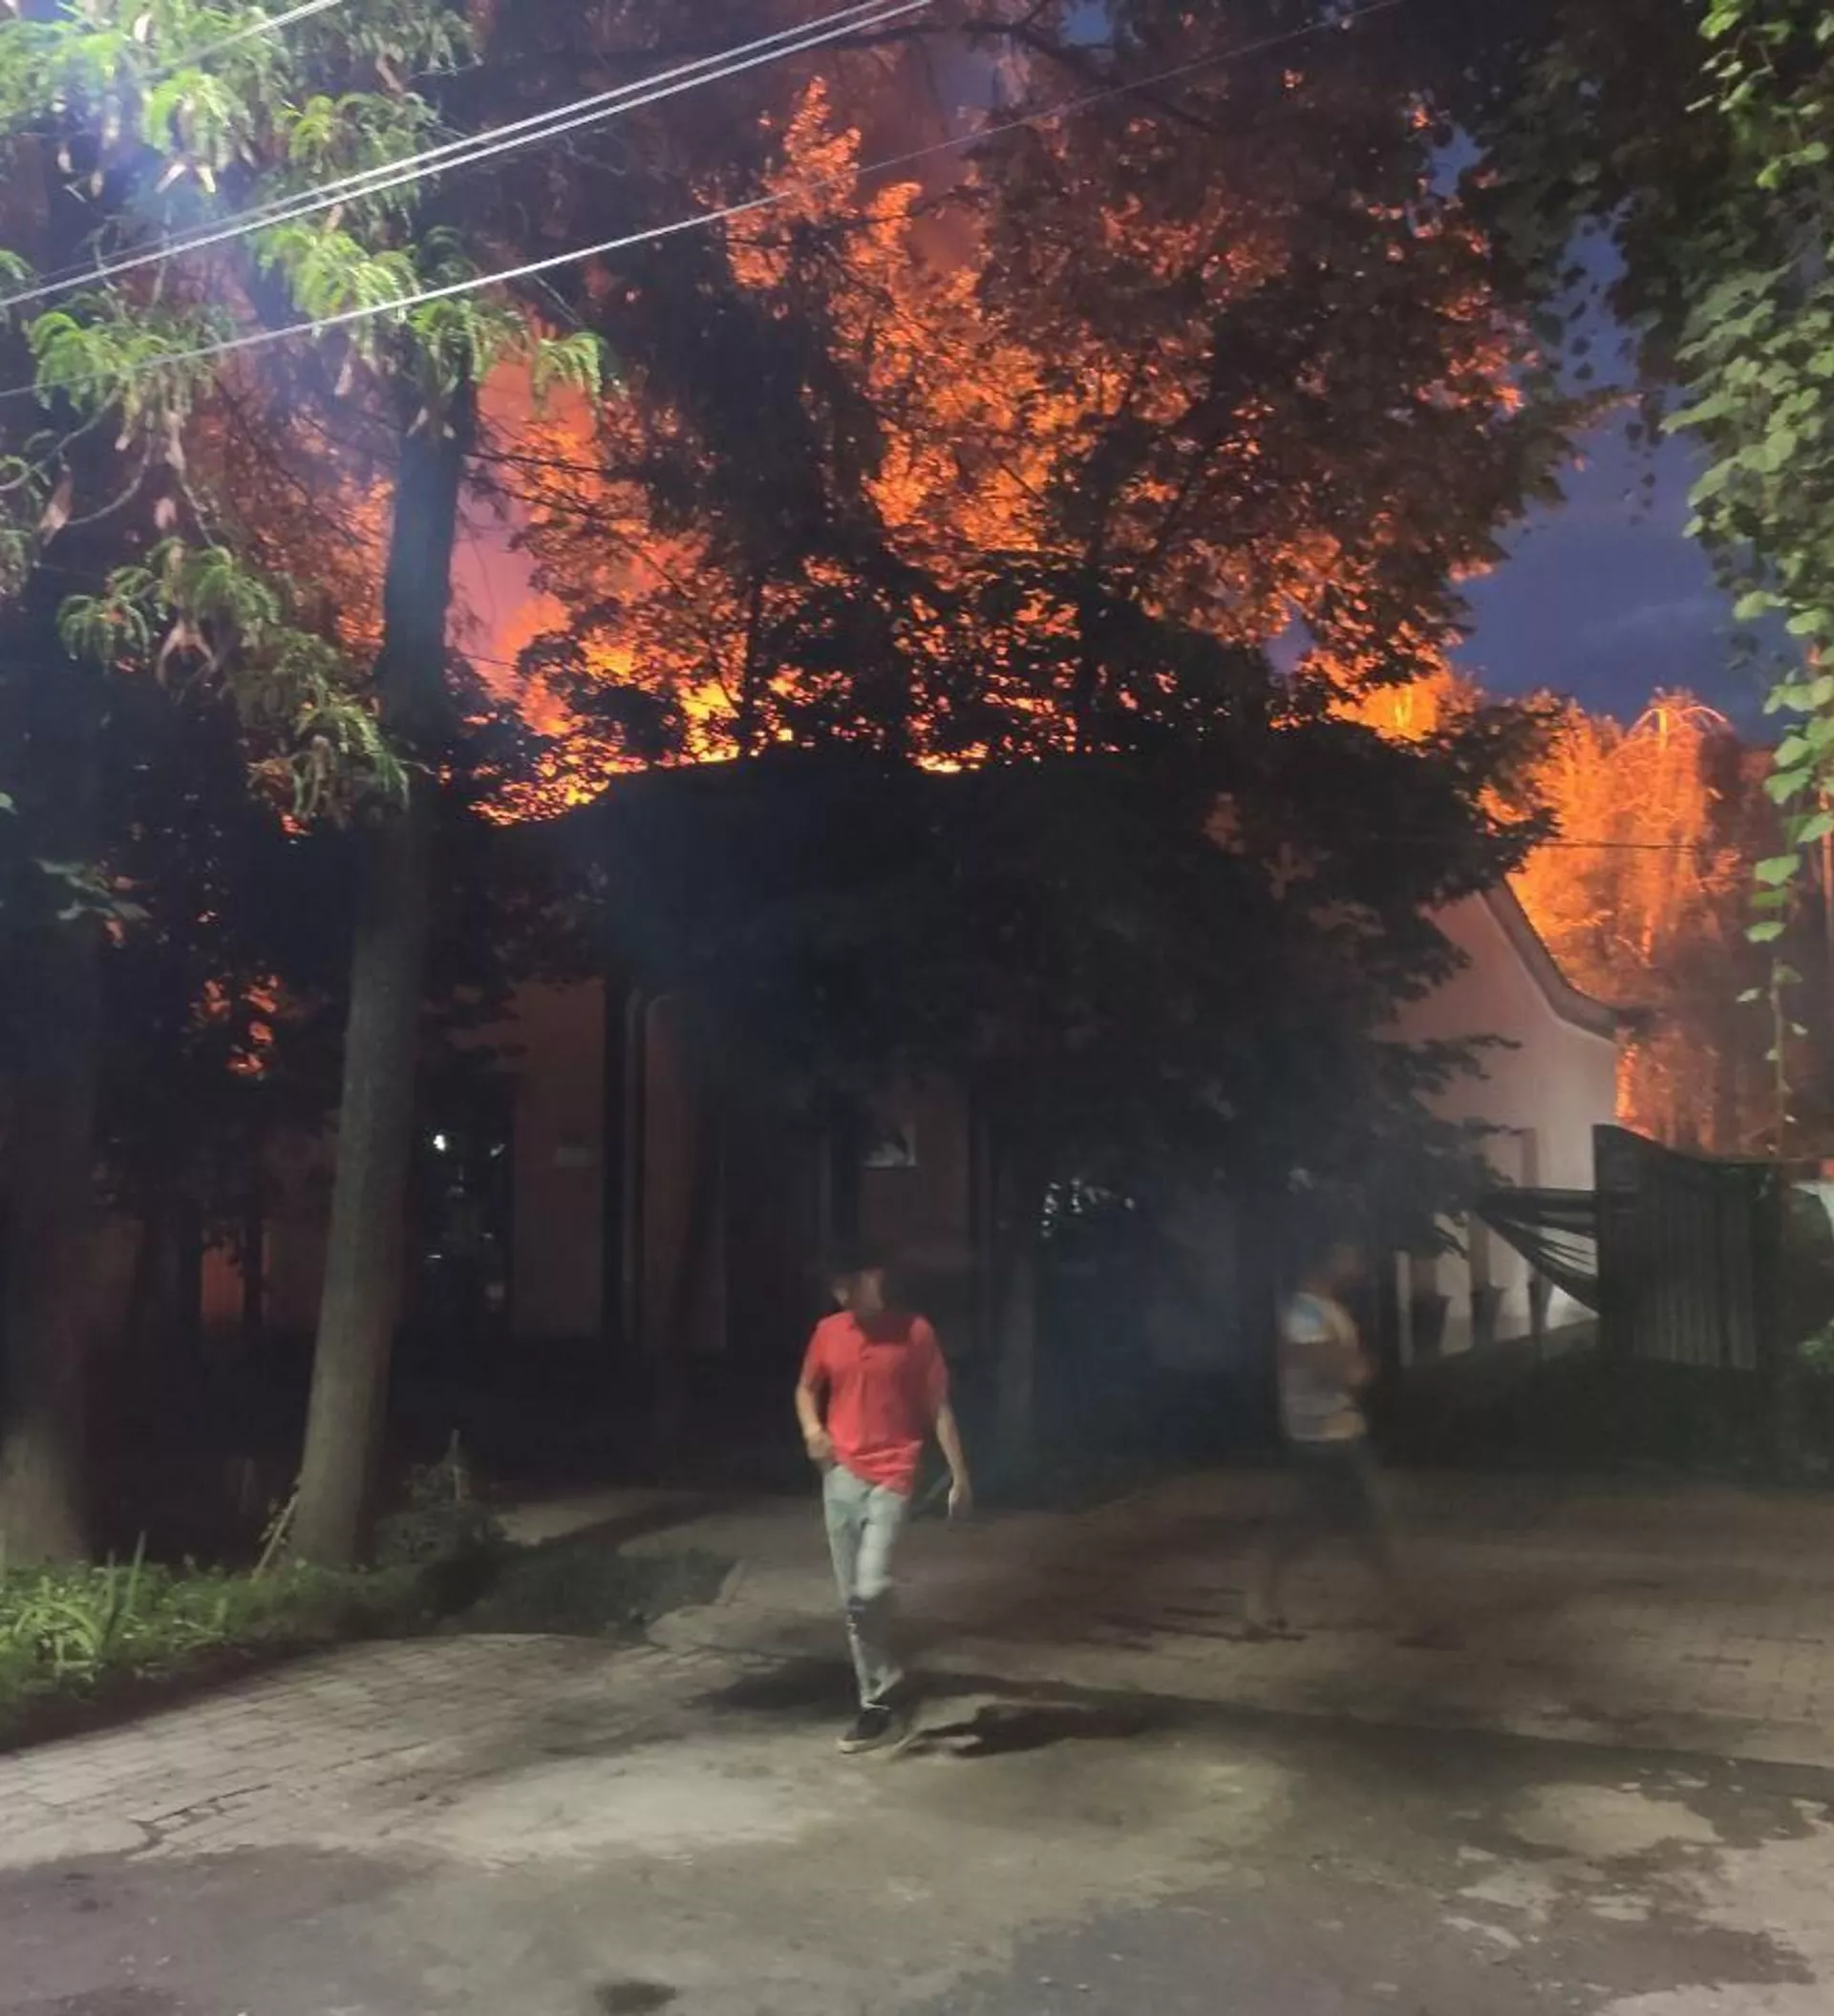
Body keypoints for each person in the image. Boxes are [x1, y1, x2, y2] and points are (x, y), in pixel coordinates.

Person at [795, 1253, 972, 1754]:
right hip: (840, 1475)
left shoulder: (913, 1332)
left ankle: (889, 1682)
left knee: (870, 1588)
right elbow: (806, 1389)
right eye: (835, 1288)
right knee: (852, 1600)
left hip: (894, 1471)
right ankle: (877, 1707)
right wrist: (812, 1429)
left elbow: (938, 1406)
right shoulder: (829, 1332)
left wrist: (960, 1475)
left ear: (874, 1278)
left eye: (850, 1284)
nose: (842, 1296)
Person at [1245, 1235, 1435, 1644]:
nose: (1357, 1263)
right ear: (1327, 1258)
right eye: (1348, 1254)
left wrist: (1355, 1368)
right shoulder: (1305, 1312)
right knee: (1370, 1525)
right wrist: (1358, 1370)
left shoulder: (1323, 1309)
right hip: (1323, 1436)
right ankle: (1411, 1617)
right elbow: (1335, 1369)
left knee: (1315, 1523)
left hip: (1333, 1432)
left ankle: (1258, 1603)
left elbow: (1343, 1367)